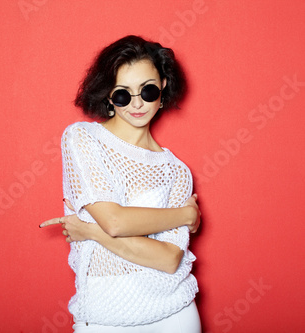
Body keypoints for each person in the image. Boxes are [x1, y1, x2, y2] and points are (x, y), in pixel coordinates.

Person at [39, 35, 202, 332]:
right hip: (103, 315)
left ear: (163, 87)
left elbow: (168, 259)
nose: (137, 104)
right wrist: (185, 215)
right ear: (108, 95)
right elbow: (114, 220)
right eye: (123, 95)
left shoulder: (177, 172)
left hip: (175, 315)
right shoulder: (83, 139)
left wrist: (91, 231)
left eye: (148, 91)